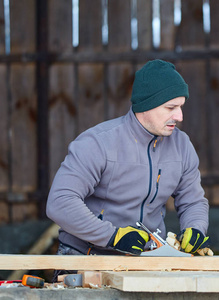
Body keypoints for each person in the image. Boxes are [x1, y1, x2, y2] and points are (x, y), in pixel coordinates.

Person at [46, 59, 210, 259]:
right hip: (87, 255)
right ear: (146, 105)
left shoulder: (182, 145)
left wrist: (196, 228)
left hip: (146, 258)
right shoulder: (97, 143)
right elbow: (60, 202)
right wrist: (112, 237)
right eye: (171, 107)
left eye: (181, 106)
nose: (180, 116)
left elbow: (192, 201)